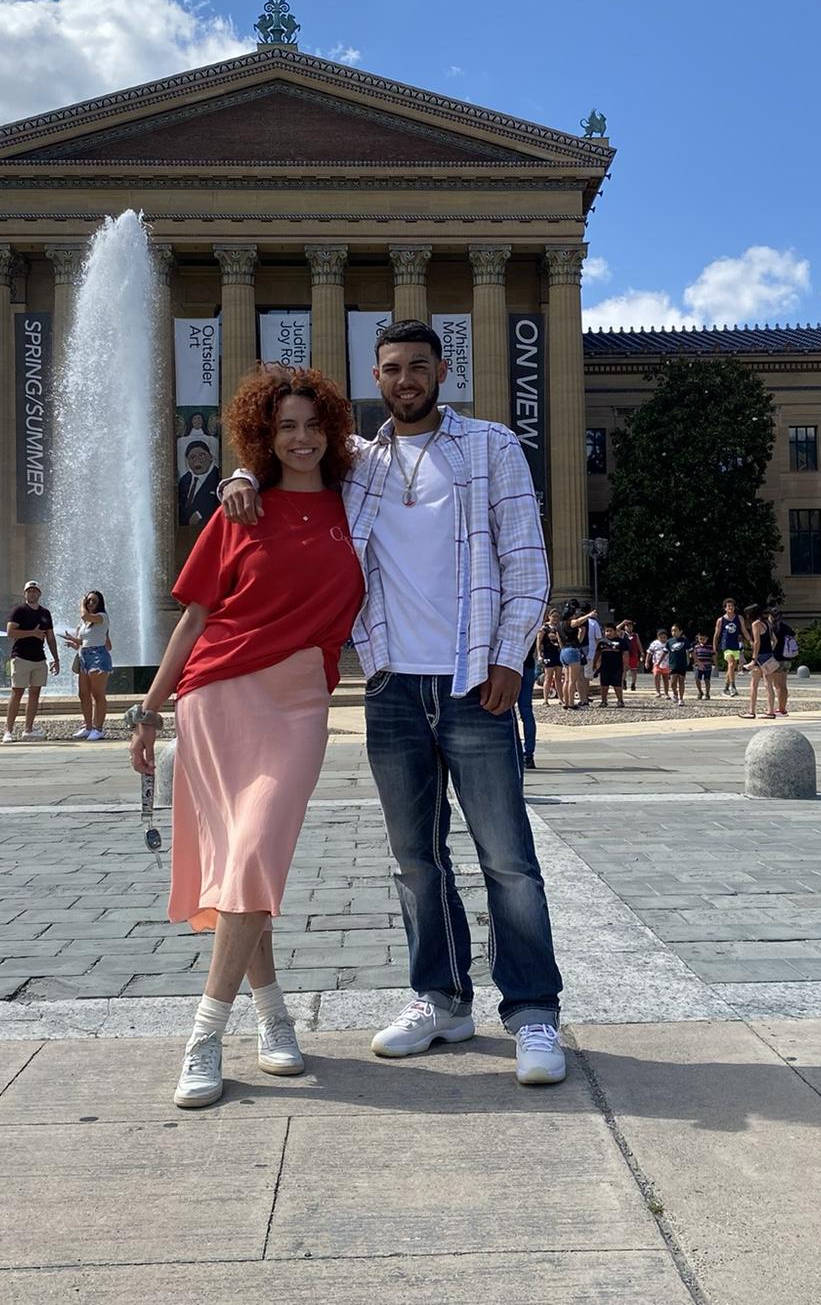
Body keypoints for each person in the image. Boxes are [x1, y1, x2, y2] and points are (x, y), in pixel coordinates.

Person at [220, 320, 566, 1086]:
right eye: (390, 369)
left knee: (507, 859)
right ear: (375, 380)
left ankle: (534, 1014)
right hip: (393, 687)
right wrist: (236, 479)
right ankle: (439, 1000)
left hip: (474, 679)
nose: (405, 379)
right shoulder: (360, 465)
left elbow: (527, 561)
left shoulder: (492, 447)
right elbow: (283, 472)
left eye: (417, 366)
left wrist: (510, 656)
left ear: (443, 370)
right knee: (416, 860)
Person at [132, 366, 364, 1109]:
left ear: (331, 430)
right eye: (284, 428)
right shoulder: (237, 513)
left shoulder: (356, 504)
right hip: (218, 694)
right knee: (244, 868)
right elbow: (194, 620)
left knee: (255, 852)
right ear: (264, 438)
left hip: (298, 704)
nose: (300, 439)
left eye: (312, 425)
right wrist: (147, 712)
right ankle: (265, 1020)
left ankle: (206, 1029)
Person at [4, 580, 60, 743]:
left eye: (34, 591)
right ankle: (8, 730)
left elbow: (50, 637)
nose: (32, 593)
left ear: (39, 594)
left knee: (35, 693)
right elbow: (10, 632)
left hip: (39, 657)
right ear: (25, 594)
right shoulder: (18, 611)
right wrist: (32, 633)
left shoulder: (45, 613)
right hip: (21, 656)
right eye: (29, 591)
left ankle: (28, 729)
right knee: (17, 693)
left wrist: (56, 658)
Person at [64, 590, 114, 740]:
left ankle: (98, 728)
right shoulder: (84, 623)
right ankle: (88, 726)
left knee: (97, 694)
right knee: (83, 693)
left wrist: (81, 602)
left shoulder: (102, 617)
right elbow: (83, 642)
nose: (91, 603)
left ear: (100, 604)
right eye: (89, 601)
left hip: (98, 656)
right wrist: (74, 642)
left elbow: (85, 615)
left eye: (94, 601)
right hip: (84, 656)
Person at [741, 603, 778, 719]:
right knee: (769, 685)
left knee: (754, 684)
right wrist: (770, 652)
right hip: (768, 656)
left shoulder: (755, 624)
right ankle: (770, 711)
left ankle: (751, 711)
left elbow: (757, 642)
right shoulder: (767, 624)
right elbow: (775, 641)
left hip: (760, 657)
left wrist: (754, 658)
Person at [179, 439, 222, 527]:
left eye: (202, 455)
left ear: (210, 457)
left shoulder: (219, 477)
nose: (197, 461)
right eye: (192, 457)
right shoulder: (184, 480)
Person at [557, 599, 589, 710]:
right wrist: (589, 615)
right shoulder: (570, 622)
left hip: (563, 651)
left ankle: (566, 701)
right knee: (572, 680)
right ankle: (571, 702)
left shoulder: (559, 625)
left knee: (566, 680)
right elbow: (578, 622)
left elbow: (559, 641)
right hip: (572, 650)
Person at [714, 599, 745, 698]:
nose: (730, 607)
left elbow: (743, 630)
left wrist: (751, 640)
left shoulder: (739, 618)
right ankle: (732, 686)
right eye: (728, 606)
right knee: (731, 664)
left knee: (731, 668)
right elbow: (717, 634)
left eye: (732, 606)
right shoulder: (721, 620)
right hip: (726, 645)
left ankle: (725, 688)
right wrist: (714, 647)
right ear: (725, 608)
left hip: (735, 645)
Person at [516, 639, 539, 769]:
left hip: (511, 666)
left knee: (506, 711)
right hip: (528, 665)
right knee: (526, 711)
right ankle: (528, 755)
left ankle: (513, 751)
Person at [770, 606, 794, 717]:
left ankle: (780, 709)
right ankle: (783, 708)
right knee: (783, 685)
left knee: (777, 685)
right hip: (787, 658)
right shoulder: (787, 628)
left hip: (776, 658)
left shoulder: (772, 628)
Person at [595, 624, 626, 707]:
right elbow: (597, 654)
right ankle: (604, 701)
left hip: (617, 667)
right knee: (604, 685)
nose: (608, 633)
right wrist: (594, 664)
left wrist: (626, 665)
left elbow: (625, 653)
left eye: (610, 631)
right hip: (604, 667)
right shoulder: (602, 642)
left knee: (617, 685)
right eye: (606, 631)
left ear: (615, 632)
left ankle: (620, 701)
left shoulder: (621, 641)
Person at [537, 613, 562, 706]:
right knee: (548, 677)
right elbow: (539, 641)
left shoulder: (558, 628)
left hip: (558, 653)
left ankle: (561, 698)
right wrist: (539, 654)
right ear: (549, 617)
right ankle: (545, 699)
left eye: (557, 616)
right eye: (554, 616)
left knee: (559, 677)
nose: (555, 618)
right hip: (548, 653)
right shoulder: (544, 628)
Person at [666, 624, 690, 705]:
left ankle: (681, 699)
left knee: (681, 681)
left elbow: (691, 651)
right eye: (672, 630)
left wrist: (696, 661)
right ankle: (675, 693)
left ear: (680, 631)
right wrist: (658, 662)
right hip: (673, 664)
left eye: (675, 630)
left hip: (682, 664)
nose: (673, 632)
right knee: (673, 682)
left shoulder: (685, 641)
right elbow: (665, 652)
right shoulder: (669, 641)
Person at [618, 618, 641, 692]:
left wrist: (642, 653)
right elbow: (616, 629)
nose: (629, 627)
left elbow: (639, 644)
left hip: (634, 654)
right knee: (624, 669)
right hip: (625, 654)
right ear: (625, 627)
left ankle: (633, 684)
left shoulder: (635, 635)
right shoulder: (622, 633)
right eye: (627, 626)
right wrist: (622, 622)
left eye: (630, 626)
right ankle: (624, 682)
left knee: (634, 670)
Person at [647, 627, 670, 698]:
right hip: (657, 664)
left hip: (667, 664)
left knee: (666, 679)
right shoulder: (654, 643)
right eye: (661, 637)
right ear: (658, 637)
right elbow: (649, 652)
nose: (663, 639)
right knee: (656, 676)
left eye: (664, 637)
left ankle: (666, 693)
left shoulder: (669, 643)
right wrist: (646, 661)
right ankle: (658, 692)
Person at [691, 629, 714, 700]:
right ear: (698, 638)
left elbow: (713, 655)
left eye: (704, 639)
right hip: (698, 666)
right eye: (700, 639)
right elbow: (693, 655)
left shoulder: (710, 647)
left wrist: (715, 664)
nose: (702, 640)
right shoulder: (696, 647)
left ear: (707, 638)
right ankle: (700, 692)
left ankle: (707, 693)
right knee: (697, 679)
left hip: (707, 666)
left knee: (707, 680)